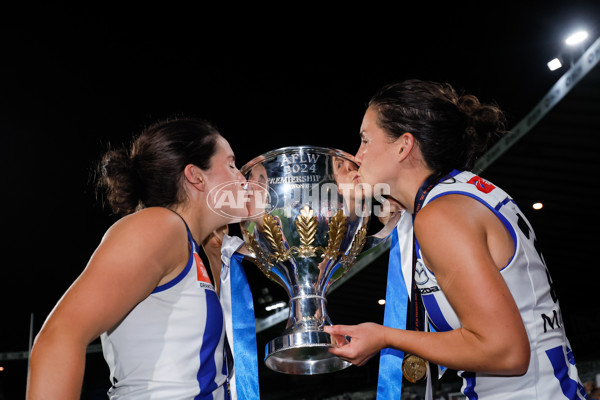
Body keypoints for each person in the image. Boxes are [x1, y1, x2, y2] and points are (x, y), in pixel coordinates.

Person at [325, 79, 588, 399]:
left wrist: (386, 337)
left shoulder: (441, 215)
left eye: (366, 141)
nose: (358, 156)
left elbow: (506, 352)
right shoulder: (462, 192)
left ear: (403, 145)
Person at [26, 117, 249, 399]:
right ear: (196, 176)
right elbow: (58, 338)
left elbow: (196, 363)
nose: (242, 178)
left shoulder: (188, 247)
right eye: (230, 164)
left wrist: (216, 257)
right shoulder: (159, 226)